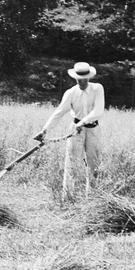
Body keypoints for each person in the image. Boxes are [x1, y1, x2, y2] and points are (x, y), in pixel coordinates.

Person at [35, 61, 105, 199]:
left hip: (93, 129)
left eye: (84, 79)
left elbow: (98, 111)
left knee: (94, 164)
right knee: (72, 164)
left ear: (89, 78)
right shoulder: (71, 93)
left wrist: (84, 122)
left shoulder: (97, 89)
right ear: (76, 78)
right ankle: (68, 197)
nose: (82, 82)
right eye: (79, 79)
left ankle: (92, 198)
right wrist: (45, 130)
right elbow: (59, 113)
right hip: (75, 130)